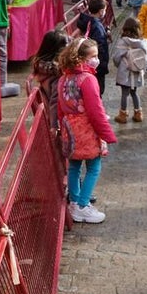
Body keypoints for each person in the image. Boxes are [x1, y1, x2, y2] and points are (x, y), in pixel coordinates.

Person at [56, 37, 118, 223]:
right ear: (81, 58)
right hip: (87, 129)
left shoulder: (63, 78)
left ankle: (74, 202)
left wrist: (62, 127)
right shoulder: (88, 79)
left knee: (74, 165)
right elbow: (95, 111)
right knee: (94, 167)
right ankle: (83, 205)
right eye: (93, 56)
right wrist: (107, 134)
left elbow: (60, 107)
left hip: (70, 128)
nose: (96, 60)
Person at [29, 27, 70, 134]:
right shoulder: (57, 74)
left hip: (51, 113)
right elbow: (55, 101)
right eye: (67, 44)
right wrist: (54, 125)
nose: (69, 47)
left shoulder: (43, 67)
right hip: (60, 118)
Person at [112, 16, 147, 123]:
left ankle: (123, 115)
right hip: (136, 72)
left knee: (125, 94)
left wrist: (119, 66)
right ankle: (138, 114)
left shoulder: (123, 41)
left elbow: (116, 58)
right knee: (134, 93)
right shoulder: (142, 42)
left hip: (125, 72)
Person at [76, 0, 110, 94]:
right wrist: (102, 65)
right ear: (101, 11)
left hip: (87, 61)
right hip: (96, 66)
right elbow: (100, 47)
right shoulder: (97, 26)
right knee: (98, 90)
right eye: (105, 10)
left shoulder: (87, 21)